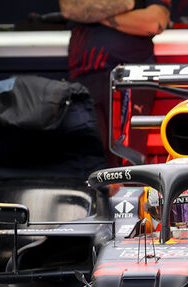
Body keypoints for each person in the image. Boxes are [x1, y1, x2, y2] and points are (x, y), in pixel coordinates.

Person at [60, 0, 171, 165]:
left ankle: (131, 191)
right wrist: (127, 8)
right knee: (91, 159)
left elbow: (154, 22)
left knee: (130, 158)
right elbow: (70, 8)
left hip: (135, 76)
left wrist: (93, 14)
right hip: (86, 74)